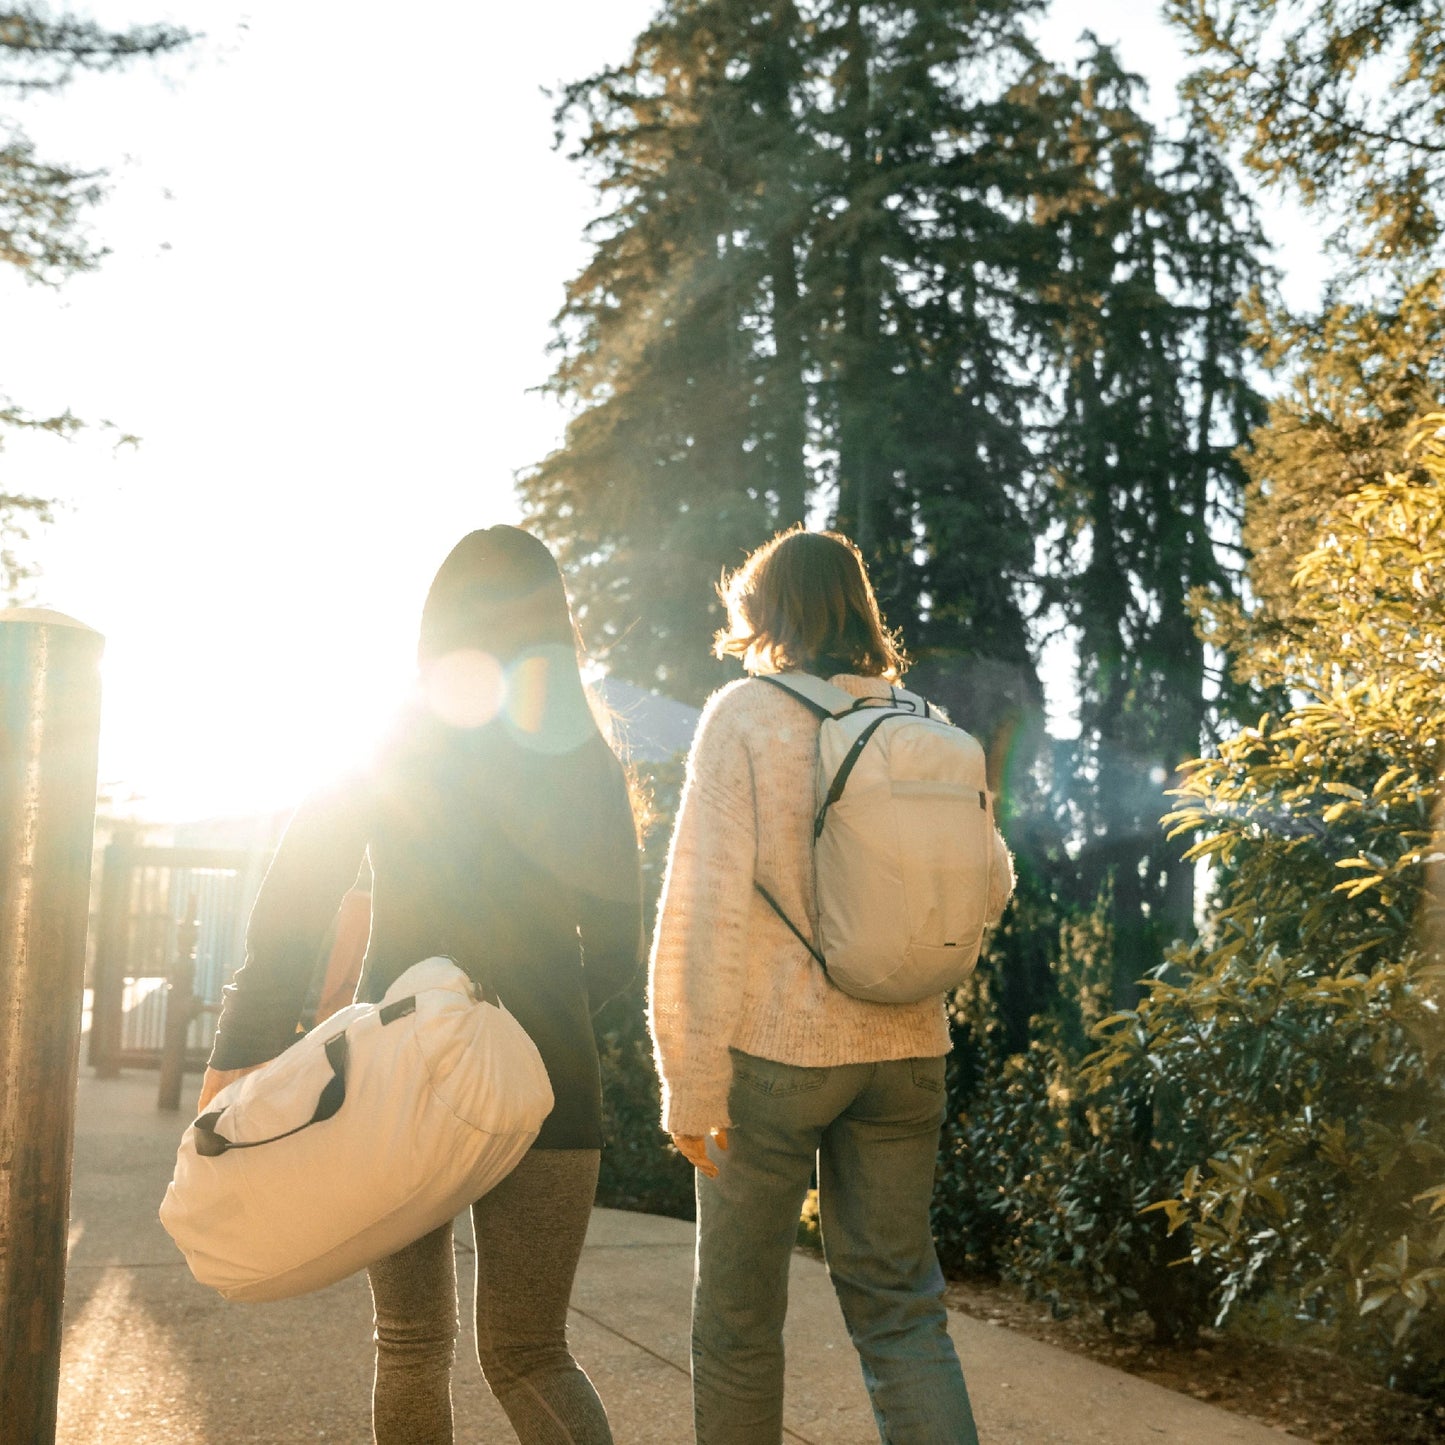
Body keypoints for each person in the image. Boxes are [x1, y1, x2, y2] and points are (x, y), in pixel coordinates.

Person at [197, 526, 644, 1445]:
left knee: (408, 1344)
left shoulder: (390, 738)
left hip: (398, 1074)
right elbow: (616, 950)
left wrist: (234, 1057)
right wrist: (530, 1022)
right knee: (530, 1352)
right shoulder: (585, 755)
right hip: (548, 1075)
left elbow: (294, 904)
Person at [648, 526, 1015, 1445]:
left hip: (775, 1058)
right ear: (858, 605)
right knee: (901, 1311)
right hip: (907, 1051)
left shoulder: (744, 715)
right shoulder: (924, 722)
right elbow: (994, 879)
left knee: (736, 1325)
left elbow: (703, 907)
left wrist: (690, 1080)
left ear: (763, 610)